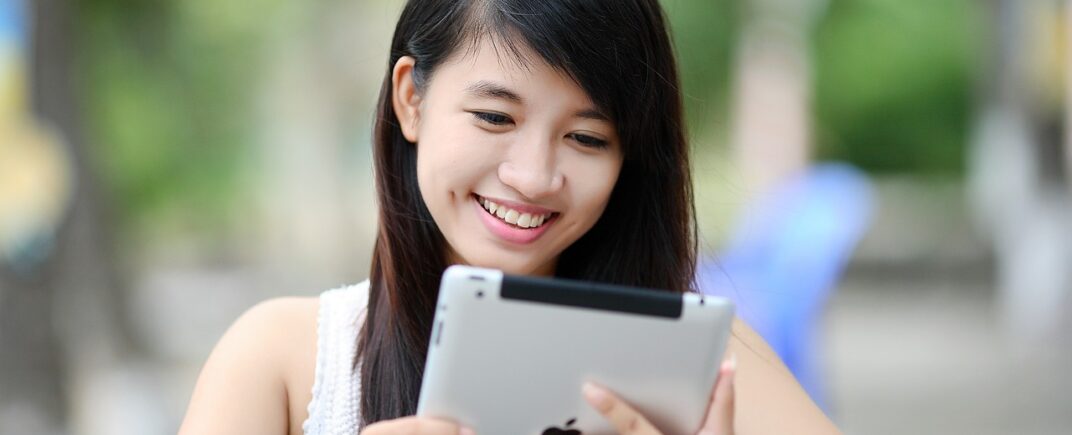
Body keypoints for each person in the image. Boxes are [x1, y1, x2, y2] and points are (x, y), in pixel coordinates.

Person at [179, 0, 841, 434]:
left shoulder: (703, 368)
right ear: (412, 98)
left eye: (587, 137)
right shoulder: (281, 361)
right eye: (495, 117)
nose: (533, 176)